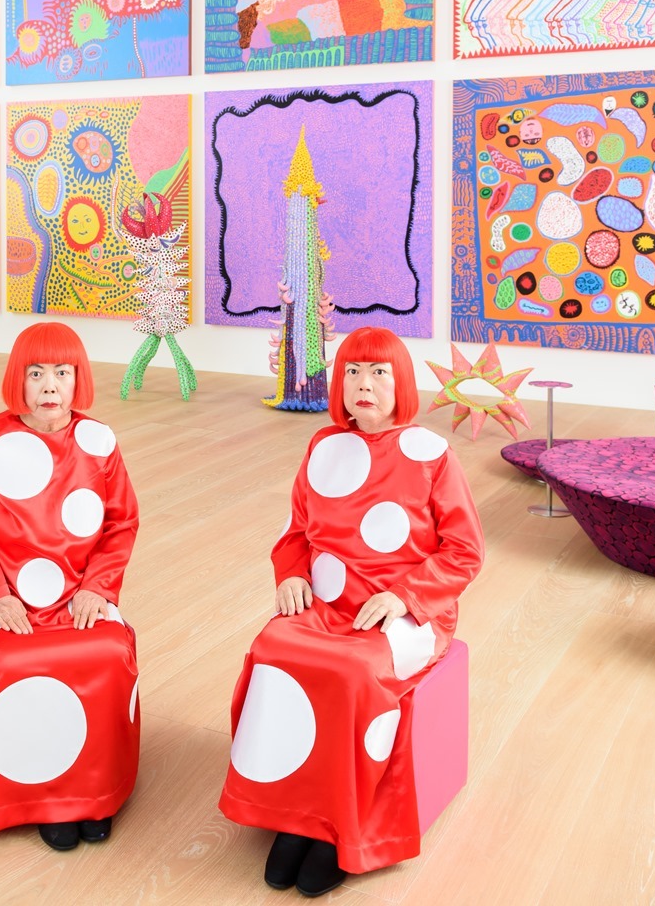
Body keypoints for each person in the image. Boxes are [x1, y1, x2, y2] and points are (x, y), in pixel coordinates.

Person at [218, 326, 485, 896]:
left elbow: (464, 551)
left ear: (401, 382)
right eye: (353, 373)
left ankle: (341, 824)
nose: (364, 384)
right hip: (328, 601)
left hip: (403, 612)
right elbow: (296, 530)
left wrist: (406, 597)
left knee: (354, 671)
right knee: (274, 649)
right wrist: (292, 573)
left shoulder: (432, 455)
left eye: (379, 373)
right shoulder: (323, 446)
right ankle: (294, 812)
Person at [0, 322, 141, 851]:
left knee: (105, 654)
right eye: (35, 374)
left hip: (79, 593)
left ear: (79, 379)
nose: (49, 386)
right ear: (18, 380)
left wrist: (98, 587)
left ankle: (93, 792)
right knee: (3, 663)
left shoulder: (98, 442)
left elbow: (121, 523)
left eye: (62, 373)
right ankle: (44, 796)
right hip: (10, 595)